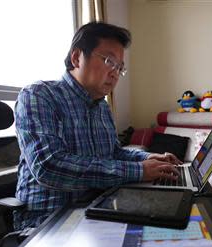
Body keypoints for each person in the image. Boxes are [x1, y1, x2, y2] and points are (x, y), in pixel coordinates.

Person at [14, 22, 181, 230]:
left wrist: (147, 158)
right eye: (109, 61)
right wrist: (138, 171)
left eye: (120, 67)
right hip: (49, 219)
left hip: (99, 208)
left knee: (170, 219)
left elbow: (113, 153)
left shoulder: (102, 107)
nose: (115, 73)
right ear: (77, 58)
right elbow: (49, 166)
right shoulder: (39, 95)